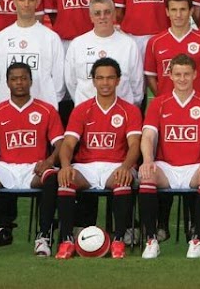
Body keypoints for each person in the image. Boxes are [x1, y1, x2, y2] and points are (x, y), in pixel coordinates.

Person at [0, 62, 63, 257]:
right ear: (7, 83)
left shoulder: (47, 110)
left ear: (31, 81)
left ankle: (43, 238)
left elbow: (61, 144)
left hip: (34, 169)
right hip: (5, 169)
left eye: (23, 78)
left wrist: (49, 161)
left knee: (52, 177)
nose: (19, 83)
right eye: (14, 79)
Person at [53, 58, 143, 259]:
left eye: (110, 78)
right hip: (86, 166)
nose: (105, 83)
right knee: (66, 179)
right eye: (100, 78)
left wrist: (126, 167)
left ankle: (118, 240)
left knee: (122, 180)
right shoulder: (81, 109)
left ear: (118, 80)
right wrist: (65, 166)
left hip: (116, 165)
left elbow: (135, 145)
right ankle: (67, 241)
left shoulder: (130, 110)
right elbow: (68, 144)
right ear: (93, 81)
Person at [137, 54, 200, 259]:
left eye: (186, 74)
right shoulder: (159, 103)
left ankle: (196, 239)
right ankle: (151, 240)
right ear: (170, 75)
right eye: (178, 74)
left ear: (195, 75)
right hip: (166, 167)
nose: (182, 79)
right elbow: (147, 136)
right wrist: (147, 160)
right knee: (147, 175)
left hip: (195, 166)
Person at [0, 0, 65, 109]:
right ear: (14, 2)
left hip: (42, 106)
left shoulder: (51, 38)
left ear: (37, 3)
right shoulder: (1, 38)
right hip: (7, 106)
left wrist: (51, 102)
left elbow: (59, 78)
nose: (26, 4)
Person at [63, 0, 144, 107]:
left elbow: (137, 83)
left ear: (114, 14)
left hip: (121, 111)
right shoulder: (77, 44)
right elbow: (71, 82)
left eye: (107, 12)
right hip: (87, 111)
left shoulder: (129, 44)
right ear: (91, 17)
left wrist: (130, 108)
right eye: (97, 13)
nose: (102, 17)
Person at [143, 0, 200, 98]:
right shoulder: (155, 42)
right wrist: (162, 98)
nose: (178, 15)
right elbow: (151, 77)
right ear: (167, 12)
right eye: (174, 10)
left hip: (195, 104)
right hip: (166, 103)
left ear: (191, 11)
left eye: (183, 9)